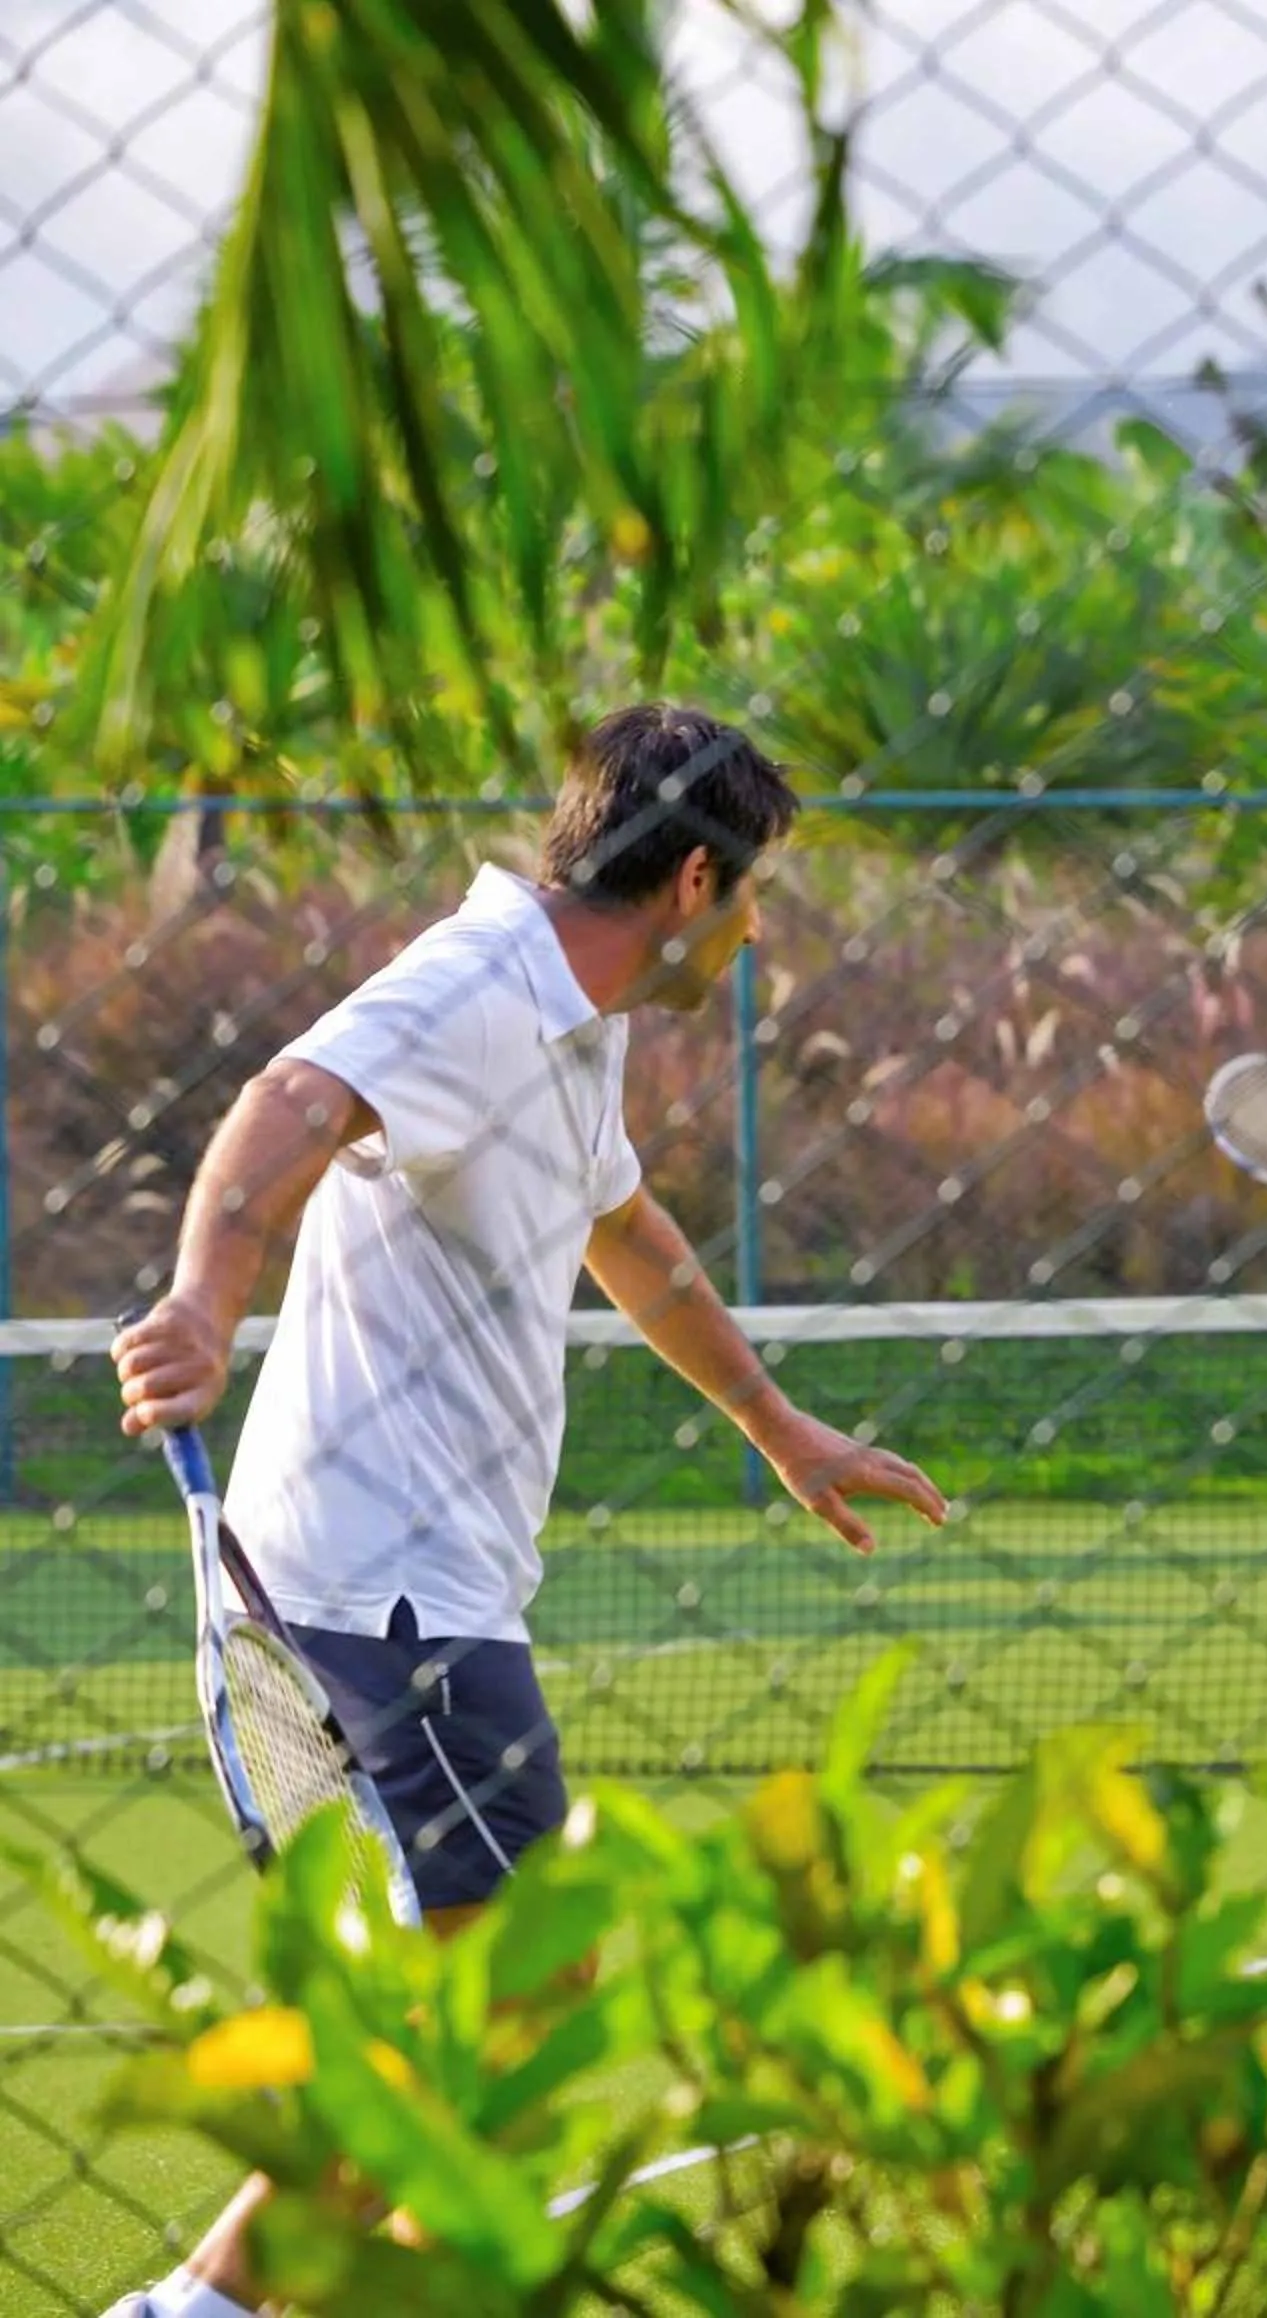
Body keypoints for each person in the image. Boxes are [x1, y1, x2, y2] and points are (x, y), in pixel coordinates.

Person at [100, 704, 948, 2318]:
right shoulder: (479, 988)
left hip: (411, 1583)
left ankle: (204, 2308)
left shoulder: (577, 1014)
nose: (757, 931)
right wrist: (207, 1300)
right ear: (694, 879)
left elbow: (627, 1234)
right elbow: (289, 1099)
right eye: (754, 893)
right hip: (386, 1586)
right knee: (525, 1991)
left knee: (457, 2003)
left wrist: (779, 1427)